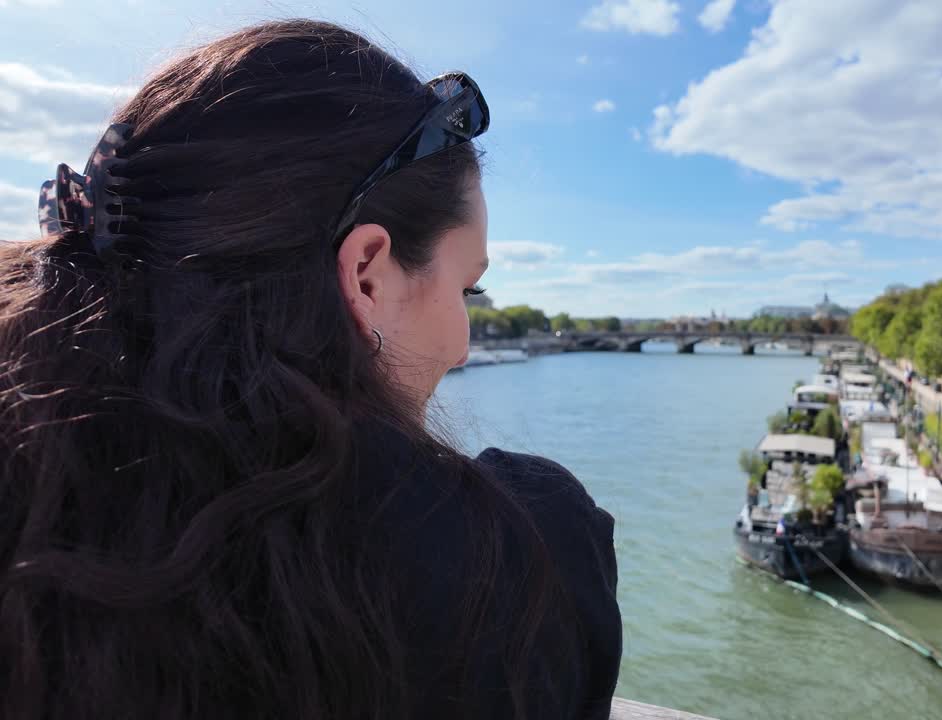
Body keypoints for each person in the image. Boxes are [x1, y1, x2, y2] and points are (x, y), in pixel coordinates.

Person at [0, 20, 621, 720]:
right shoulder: (522, 555)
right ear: (366, 274)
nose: (464, 346)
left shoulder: (42, 492)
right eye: (467, 289)